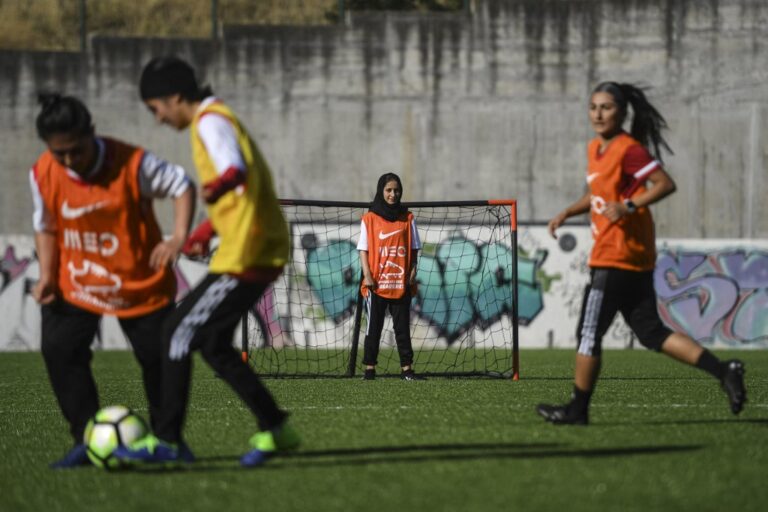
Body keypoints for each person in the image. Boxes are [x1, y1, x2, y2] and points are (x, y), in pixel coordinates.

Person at [115, 56, 299, 467]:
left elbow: (232, 171)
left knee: (175, 332)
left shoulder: (209, 122)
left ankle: (168, 442)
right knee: (214, 345)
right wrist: (205, 230)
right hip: (254, 246)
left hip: (247, 253)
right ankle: (276, 428)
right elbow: (238, 187)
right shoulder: (216, 118)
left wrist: (213, 192)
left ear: (175, 97)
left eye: (156, 109)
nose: (158, 119)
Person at [537, 82, 747, 425]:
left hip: (614, 257)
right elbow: (598, 195)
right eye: (593, 107)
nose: (598, 114)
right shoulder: (596, 148)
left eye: (606, 107)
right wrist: (567, 212)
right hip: (634, 258)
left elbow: (665, 184)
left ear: (622, 111)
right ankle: (724, 370)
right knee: (651, 332)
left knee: (588, 334)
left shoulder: (628, 148)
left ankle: (577, 410)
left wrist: (629, 205)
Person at [30, 93, 195, 467]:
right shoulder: (42, 171)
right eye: (60, 154)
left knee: (161, 358)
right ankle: (86, 439)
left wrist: (177, 236)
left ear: (92, 133)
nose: (70, 161)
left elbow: (181, 185)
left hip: (139, 283)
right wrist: (46, 277)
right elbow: (46, 225)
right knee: (59, 348)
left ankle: (167, 441)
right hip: (77, 282)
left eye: (76, 150)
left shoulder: (132, 163)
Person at [357, 173, 425, 381]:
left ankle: (407, 370)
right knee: (373, 329)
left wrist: (413, 271)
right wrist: (368, 275)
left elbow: (414, 248)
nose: (393, 194)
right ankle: (370, 369)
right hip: (376, 285)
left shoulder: (408, 217)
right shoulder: (369, 219)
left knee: (402, 329)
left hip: (400, 284)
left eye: (396, 190)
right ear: (381, 191)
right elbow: (363, 249)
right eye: (388, 190)